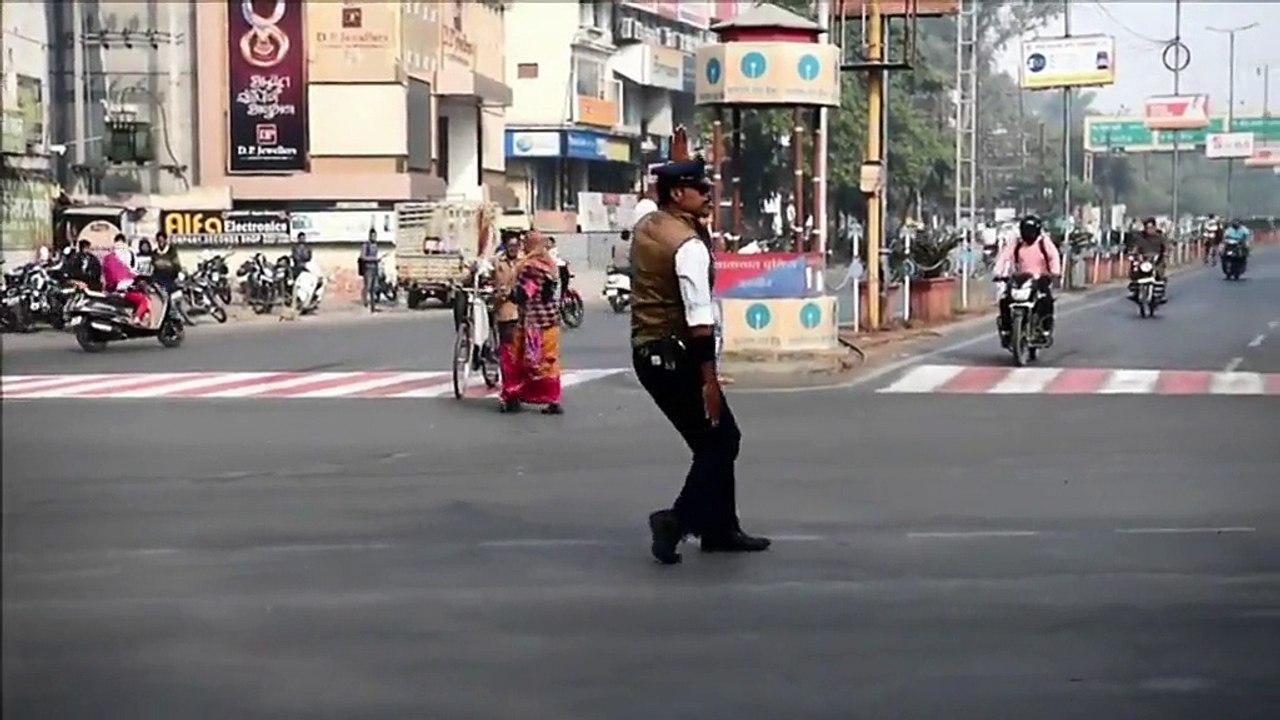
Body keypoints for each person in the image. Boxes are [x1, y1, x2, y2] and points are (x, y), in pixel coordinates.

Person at [631, 156, 770, 565]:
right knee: (722, 441)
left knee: (712, 443)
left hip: (648, 352)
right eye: (701, 189)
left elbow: (650, 203)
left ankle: (719, 529)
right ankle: (674, 521)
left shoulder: (649, 224)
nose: (709, 194)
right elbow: (698, 320)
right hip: (678, 355)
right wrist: (708, 379)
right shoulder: (687, 247)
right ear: (678, 194)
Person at [501, 231, 563, 415]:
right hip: (550, 322)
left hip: (533, 324)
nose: (522, 246)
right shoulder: (550, 265)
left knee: (516, 359)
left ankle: (513, 396)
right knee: (549, 361)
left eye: (525, 242)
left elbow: (525, 293)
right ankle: (553, 400)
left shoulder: (531, 267)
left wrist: (508, 294)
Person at [993, 214, 1061, 346]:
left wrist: (1055, 272)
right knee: (1005, 300)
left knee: (1046, 300)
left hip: (1041, 278)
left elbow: (1054, 256)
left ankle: (1045, 329)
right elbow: (1004, 256)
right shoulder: (1017, 243)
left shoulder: (1043, 242)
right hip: (1021, 279)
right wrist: (998, 273)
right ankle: (1006, 329)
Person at [492, 237, 526, 409]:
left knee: (521, 357)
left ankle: (518, 392)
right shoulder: (496, 261)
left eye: (516, 245)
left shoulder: (525, 262)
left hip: (523, 313)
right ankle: (510, 392)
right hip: (504, 312)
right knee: (507, 355)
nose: (513, 248)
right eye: (510, 245)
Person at [102, 234, 149, 323]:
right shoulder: (129, 255)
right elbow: (134, 270)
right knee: (143, 300)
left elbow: (105, 275)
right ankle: (137, 318)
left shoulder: (108, 257)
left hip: (111, 289)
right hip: (124, 289)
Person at [358, 229, 381, 312]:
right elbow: (363, 257)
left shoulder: (376, 245)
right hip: (367, 268)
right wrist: (374, 259)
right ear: (369, 236)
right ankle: (365, 301)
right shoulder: (365, 245)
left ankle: (373, 305)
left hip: (375, 268)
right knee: (367, 286)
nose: (374, 237)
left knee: (374, 287)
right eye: (372, 236)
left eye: (375, 236)